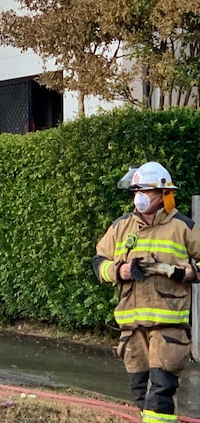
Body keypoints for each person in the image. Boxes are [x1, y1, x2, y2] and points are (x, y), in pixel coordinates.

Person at [93, 161, 200, 423]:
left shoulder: (183, 227)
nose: (138, 197)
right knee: (141, 393)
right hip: (132, 327)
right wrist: (120, 271)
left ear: (164, 194)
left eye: (145, 191)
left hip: (169, 327)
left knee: (160, 392)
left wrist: (190, 272)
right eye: (135, 191)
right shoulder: (121, 227)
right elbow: (99, 262)